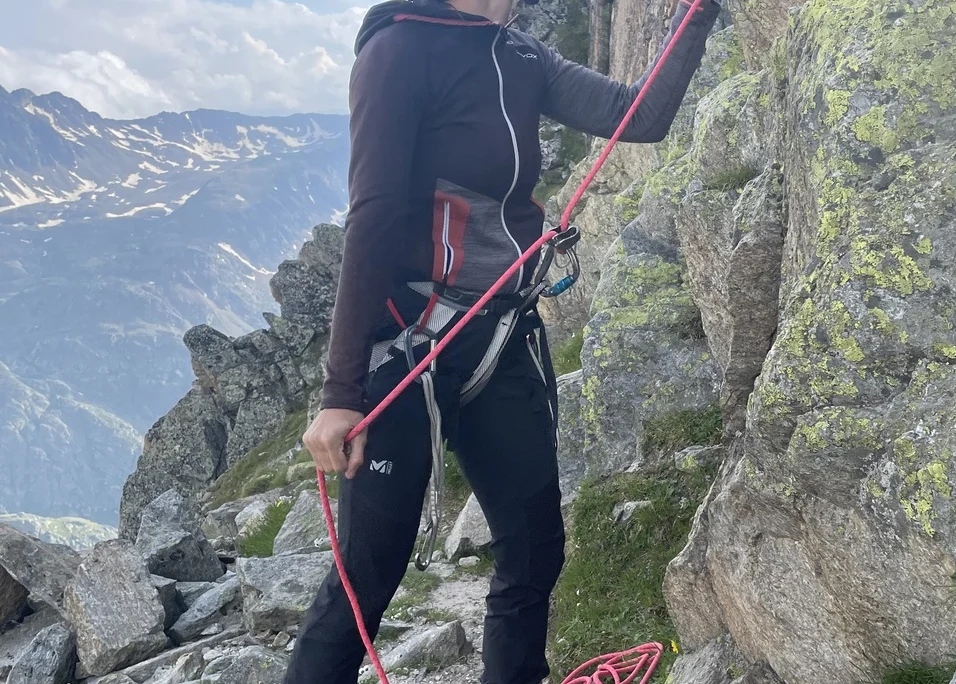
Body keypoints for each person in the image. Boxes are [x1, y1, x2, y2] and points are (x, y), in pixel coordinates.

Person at [284, 0, 721, 679]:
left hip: (502, 335)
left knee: (534, 549)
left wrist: (697, 14)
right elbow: (371, 215)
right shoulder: (399, 51)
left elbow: (641, 116)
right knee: (367, 576)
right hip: (411, 345)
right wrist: (340, 393)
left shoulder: (520, 55)